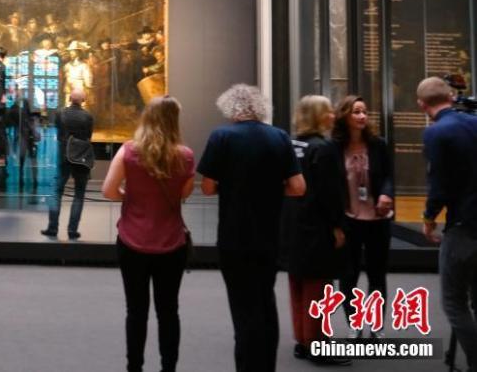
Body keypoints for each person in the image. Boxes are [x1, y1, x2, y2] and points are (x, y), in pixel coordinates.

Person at [197, 84, 305, 372]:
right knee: (265, 301)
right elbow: (298, 187)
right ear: (260, 107)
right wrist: (271, 189)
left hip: (234, 236)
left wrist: (233, 185)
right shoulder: (279, 137)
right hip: (269, 235)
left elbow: (207, 187)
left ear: (231, 108)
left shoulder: (221, 136)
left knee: (242, 307)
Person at [102, 96, 195, 372]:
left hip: (132, 241)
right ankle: (168, 367)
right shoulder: (185, 156)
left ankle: (135, 367)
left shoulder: (128, 151)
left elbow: (108, 190)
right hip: (171, 243)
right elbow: (184, 194)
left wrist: (130, 197)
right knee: (169, 312)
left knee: (135, 311)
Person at [284, 96, 348, 365]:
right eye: (329, 111)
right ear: (318, 116)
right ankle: (317, 345)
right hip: (318, 226)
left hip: (292, 224)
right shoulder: (324, 148)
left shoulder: (291, 144)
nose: (334, 115)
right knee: (318, 287)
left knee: (298, 283)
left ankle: (302, 340)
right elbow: (330, 193)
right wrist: (338, 226)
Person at [419, 77, 477, 369]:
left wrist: (429, 218)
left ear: (421, 105)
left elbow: (439, 186)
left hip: (463, 226)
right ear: (451, 97)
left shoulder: (436, 133)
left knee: (454, 302)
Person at [334, 95, 394, 337]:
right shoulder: (334, 147)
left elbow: (389, 176)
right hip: (349, 219)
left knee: (377, 274)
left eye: (364, 112)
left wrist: (386, 194)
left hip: (378, 218)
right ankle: (354, 323)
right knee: (348, 275)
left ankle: (376, 326)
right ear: (344, 116)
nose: (362, 116)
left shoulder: (378, 144)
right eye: (356, 111)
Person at [43, 89, 93, 240]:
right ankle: (72, 230)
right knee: (79, 195)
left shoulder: (61, 113)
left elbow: (58, 133)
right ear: (83, 100)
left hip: (63, 156)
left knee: (57, 192)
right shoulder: (88, 116)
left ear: (70, 98)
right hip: (81, 158)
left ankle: (52, 228)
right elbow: (88, 136)